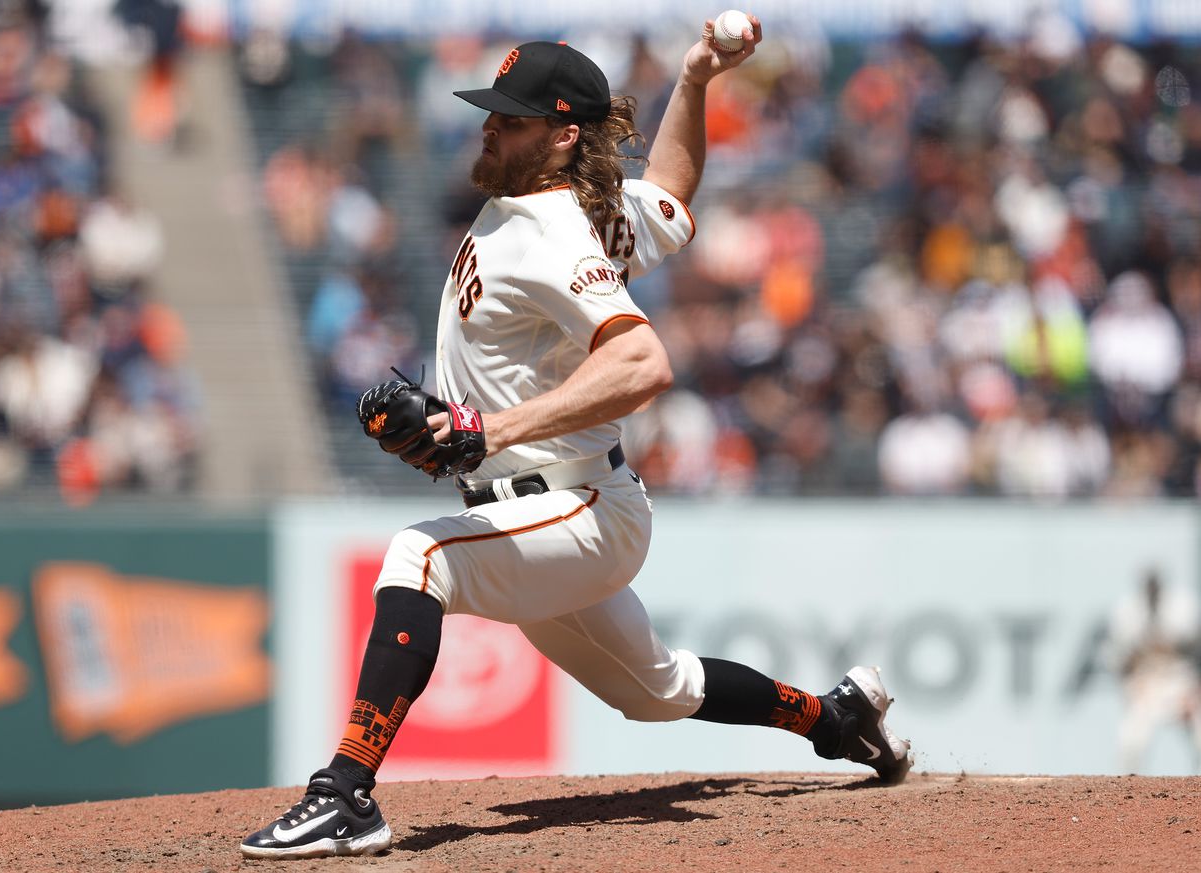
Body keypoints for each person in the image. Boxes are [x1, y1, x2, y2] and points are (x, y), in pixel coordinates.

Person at [241, 18, 912, 860]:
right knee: (658, 688)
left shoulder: (553, 231)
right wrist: (697, 79)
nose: (489, 126)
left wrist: (487, 428)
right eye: (491, 113)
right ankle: (835, 716)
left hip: (578, 504)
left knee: (419, 557)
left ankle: (345, 794)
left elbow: (643, 360)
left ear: (562, 136)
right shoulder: (586, 211)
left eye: (511, 119)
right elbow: (669, 189)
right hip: (551, 509)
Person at [1106, 568, 1201, 773]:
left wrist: (1195, 690)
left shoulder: (1183, 606)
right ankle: (1127, 796)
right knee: (1130, 741)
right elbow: (1120, 659)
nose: (1152, 590)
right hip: (1146, 684)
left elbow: (1194, 650)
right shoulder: (1128, 611)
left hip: (1180, 682)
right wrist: (1130, 688)